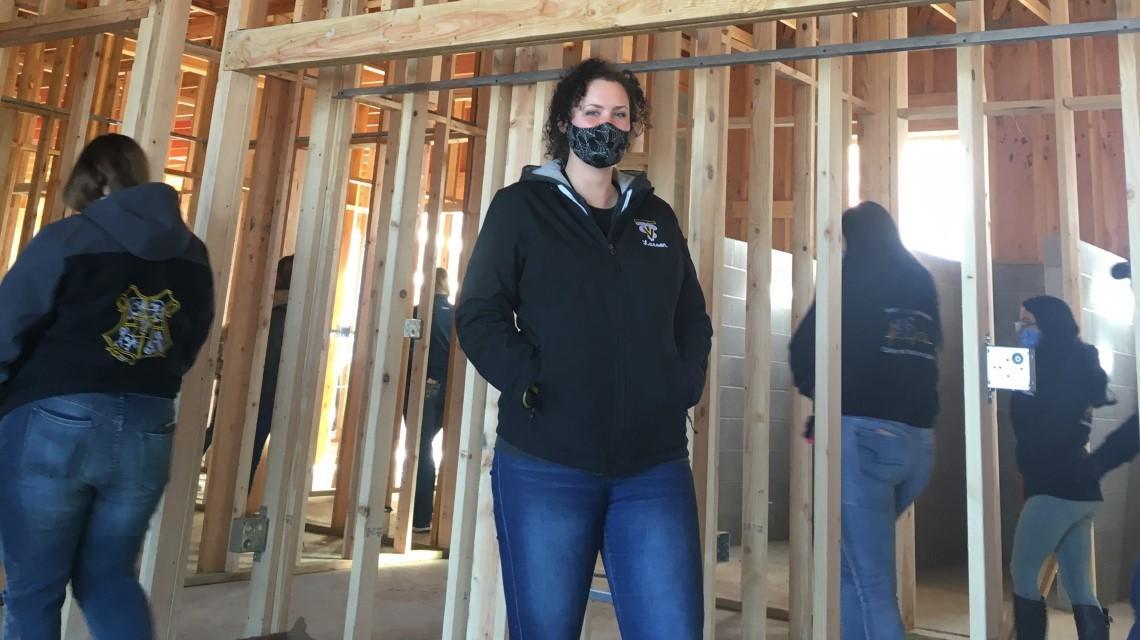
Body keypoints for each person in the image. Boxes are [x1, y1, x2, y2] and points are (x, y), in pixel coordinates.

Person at [455, 57, 712, 639]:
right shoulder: (521, 208)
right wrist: (532, 379)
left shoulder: (655, 218)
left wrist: (682, 382)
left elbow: (691, 316)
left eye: (619, 114)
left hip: (654, 466)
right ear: (567, 120)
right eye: (593, 111)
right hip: (547, 464)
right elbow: (480, 314)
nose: (607, 124)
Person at [0, 133, 214, 639]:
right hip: (148, 426)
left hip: (55, 420)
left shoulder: (67, 240)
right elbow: (192, 337)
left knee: (35, 589)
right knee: (108, 577)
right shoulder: (194, 254)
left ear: (90, 183)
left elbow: (7, 325)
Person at [788, 201, 942, 640]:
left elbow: (806, 349)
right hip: (918, 445)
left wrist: (821, 396)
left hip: (867, 440)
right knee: (851, 565)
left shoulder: (851, 275)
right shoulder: (921, 280)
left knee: (872, 583)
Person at [1008, 295, 1115, 640]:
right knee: (1081, 586)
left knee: (1022, 572)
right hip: (1081, 486)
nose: (1022, 329)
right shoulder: (1080, 361)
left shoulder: (1046, 367)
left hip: (1052, 486)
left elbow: (1032, 425)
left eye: (1027, 323)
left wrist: (1017, 382)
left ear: (1046, 324)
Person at [202, 254, 293, 489]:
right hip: (265, 394)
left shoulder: (261, 305)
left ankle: (185, 482)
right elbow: (272, 361)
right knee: (249, 452)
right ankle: (232, 505)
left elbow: (227, 336)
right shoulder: (284, 314)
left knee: (216, 433)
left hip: (237, 386)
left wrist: (223, 368)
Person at [410, 267, 454, 533]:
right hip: (450, 388)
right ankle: (447, 515)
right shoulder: (457, 314)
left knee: (421, 448)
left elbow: (410, 349)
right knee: (450, 448)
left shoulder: (419, 312)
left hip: (425, 386)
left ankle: (420, 517)